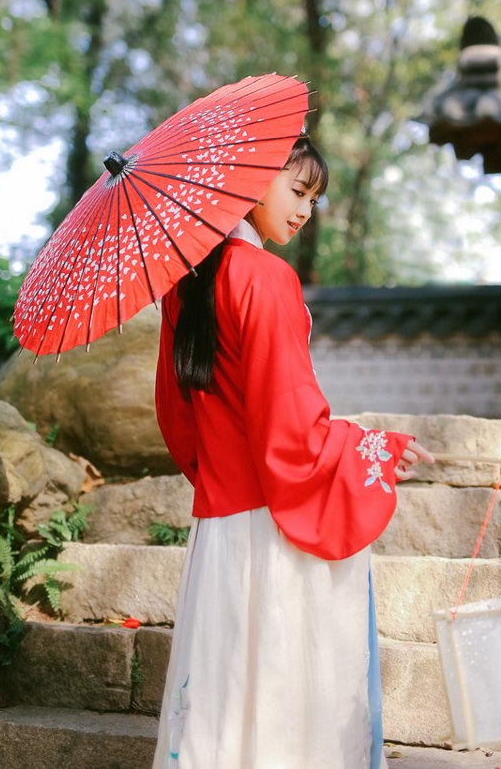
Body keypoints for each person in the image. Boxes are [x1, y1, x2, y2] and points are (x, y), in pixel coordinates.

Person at [152, 135, 434, 769]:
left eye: (314, 198)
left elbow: (176, 418)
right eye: (298, 190)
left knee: (223, 703)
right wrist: (373, 448)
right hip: (274, 530)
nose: (307, 210)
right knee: (285, 702)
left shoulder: (183, 286)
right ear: (250, 179)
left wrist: (221, 475)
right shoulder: (267, 277)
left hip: (218, 532)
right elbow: (292, 427)